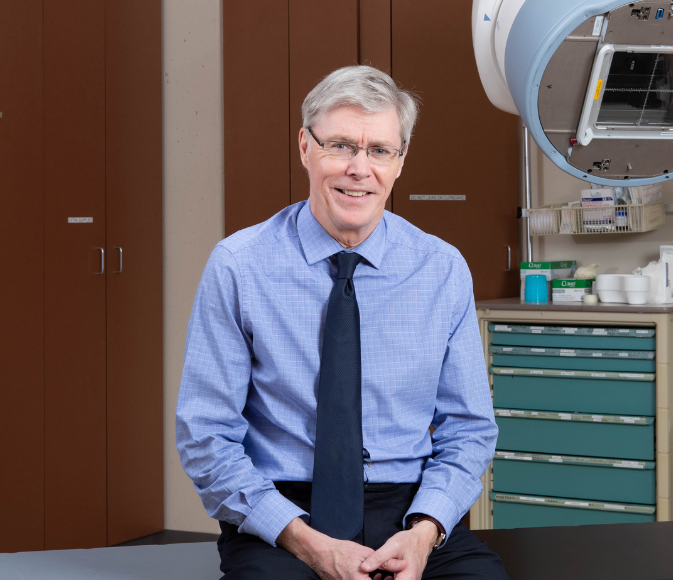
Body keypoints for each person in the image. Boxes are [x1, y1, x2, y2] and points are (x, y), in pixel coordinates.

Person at [176, 65, 508, 580]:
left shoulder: (441, 269)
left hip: (409, 508)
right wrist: (308, 544)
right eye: (341, 146)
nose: (360, 168)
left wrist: (423, 532)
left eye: (380, 150)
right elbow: (205, 434)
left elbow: (468, 429)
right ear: (305, 147)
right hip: (284, 513)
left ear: (400, 162)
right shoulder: (239, 265)